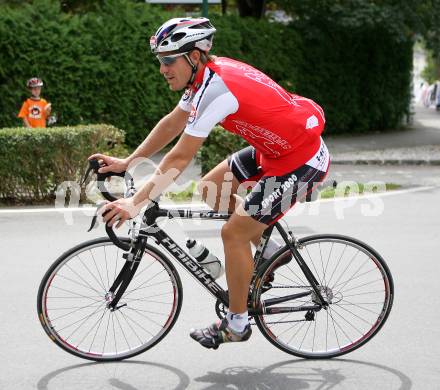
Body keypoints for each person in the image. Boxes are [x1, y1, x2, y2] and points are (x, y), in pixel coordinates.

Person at [89, 17, 330, 350]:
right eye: (160, 60)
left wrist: (135, 203)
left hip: (300, 161)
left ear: (194, 56)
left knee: (233, 233)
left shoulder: (217, 89)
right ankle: (269, 247)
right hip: (272, 150)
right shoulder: (203, 80)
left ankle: (237, 323)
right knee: (210, 189)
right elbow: (173, 122)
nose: (162, 68)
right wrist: (129, 161)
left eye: (168, 60)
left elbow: (178, 159)